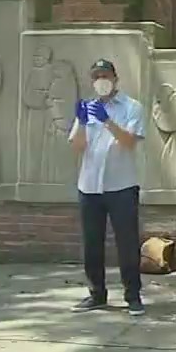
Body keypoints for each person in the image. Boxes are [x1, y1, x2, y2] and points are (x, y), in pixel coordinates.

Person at [68, 59, 147, 315]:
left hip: (121, 185)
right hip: (89, 186)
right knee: (92, 243)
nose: (101, 80)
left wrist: (108, 122)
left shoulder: (131, 107)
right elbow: (78, 147)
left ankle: (132, 295)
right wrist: (82, 121)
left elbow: (128, 142)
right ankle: (96, 293)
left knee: (126, 242)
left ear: (115, 77)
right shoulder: (87, 108)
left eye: (105, 75)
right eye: (96, 76)